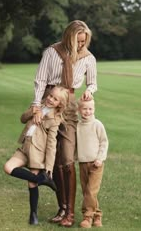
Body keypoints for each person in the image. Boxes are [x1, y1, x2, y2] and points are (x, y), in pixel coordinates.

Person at [31, 20, 97, 227]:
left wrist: (89, 91)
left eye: (84, 41)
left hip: (68, 107)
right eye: (77, 41)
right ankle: (62, 209)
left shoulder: (88, 58)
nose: (80, 45)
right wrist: (36, 106)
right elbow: (41, 80)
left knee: (67, 159)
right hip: (49, 104)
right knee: (53, 159)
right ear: (69, 36)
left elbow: (93, 82)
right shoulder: (51, 52)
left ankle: (69, 212)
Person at [3, 86, 69, 225]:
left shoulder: (54, 120)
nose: (50, 99)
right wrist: (33, 111)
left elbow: (51, 145)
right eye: (50, 96)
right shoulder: (37, 106)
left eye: (55, 99)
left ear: (60, 104)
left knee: (32, 183)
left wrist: (49, 166)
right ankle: (43, 179)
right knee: (8, 167)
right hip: (24, 148)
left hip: (37, 153)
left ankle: (33, 215)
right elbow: (22, 118)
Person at [76, 98, 108, 228]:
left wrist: (100, 158)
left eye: (90, 109)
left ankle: (87, 217)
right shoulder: (78, 126)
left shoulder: (97, 124)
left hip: (96, 164)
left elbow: (104, 142)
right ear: (79, 110)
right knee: (87, 192)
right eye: (84, 109)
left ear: (94, 109)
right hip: (83, 163)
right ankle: (97, 215)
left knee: (91, 191)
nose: (87, 111)